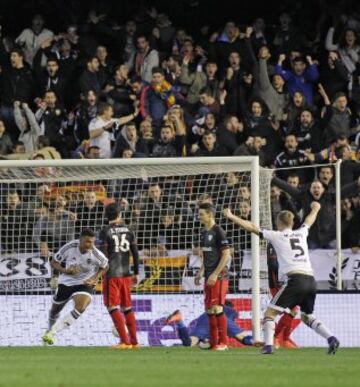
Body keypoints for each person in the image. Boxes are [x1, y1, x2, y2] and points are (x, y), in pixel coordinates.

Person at [223, 204, 340, 355]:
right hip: (311, 280)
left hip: (294, 279)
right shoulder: (301, 233)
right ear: (292, 223)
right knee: (306, 316)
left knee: (269, 314)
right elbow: (309, 220)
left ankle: (268, 346)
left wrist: (232, 216)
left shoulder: (276, 235)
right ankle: (331, 338)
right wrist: (316, 208)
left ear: (278, 223)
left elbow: (252, 226)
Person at [42, 228, 108, 345]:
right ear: (80, 240)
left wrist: (94, 279)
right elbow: (53, 262)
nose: (90, 245)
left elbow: (105, 266)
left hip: (84, 283)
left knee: (81, 306)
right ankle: (49, 329)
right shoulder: (70, 247)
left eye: (92, 242)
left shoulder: (96, 253)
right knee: (55, 310)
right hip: (66, 282)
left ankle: (52, 332)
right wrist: (65, 270)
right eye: (87, 241)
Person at [98, 203, 140, 349]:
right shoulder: (129, 230)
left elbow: (103, 255)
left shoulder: (104, 231)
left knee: (111, 306)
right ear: (120, 214)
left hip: (111, 274)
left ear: (106, 216)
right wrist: (137, 272)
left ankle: (124, 341)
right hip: (126, 274)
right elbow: (135, 252)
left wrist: (99, 272)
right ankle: (134, 342)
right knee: (127, 307)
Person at [194, 202, 231, 351]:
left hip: (219, 276)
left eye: (201, 214)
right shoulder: (203, 232)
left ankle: (224, 342)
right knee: (209, 309)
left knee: (217, 308)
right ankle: (213, 342)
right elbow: (207, 256)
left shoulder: (218, 231)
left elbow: (226, 254)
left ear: (210, 215)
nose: (199, 216)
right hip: (208, 275)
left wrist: (215, 274)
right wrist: (200, 272)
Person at [166, 300, 261, 348]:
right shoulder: (231, 310)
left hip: (205, 318)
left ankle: (179, 321)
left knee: (188, 343)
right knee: (243, 338)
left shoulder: (204, 314)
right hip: (221, 317)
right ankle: (258, 341)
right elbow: (225, 327)